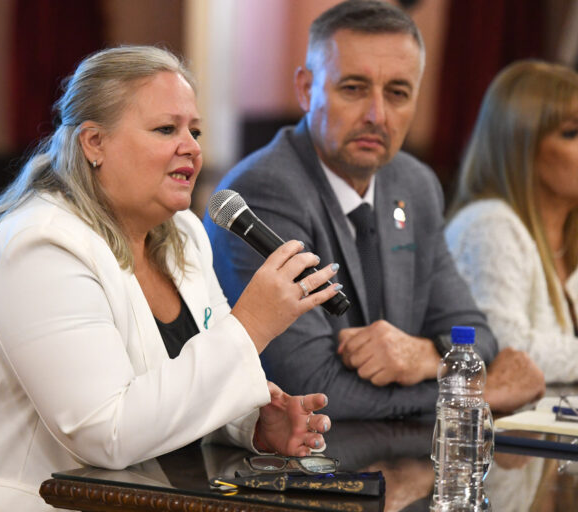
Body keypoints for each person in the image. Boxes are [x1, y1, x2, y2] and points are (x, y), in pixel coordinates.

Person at [0, 46, 343, 511]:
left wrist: (253, 424)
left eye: (194, 130)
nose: (192, 147)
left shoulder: (181, 233)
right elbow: (108, 432)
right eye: (167, 129)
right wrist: (253, 324)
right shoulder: (40, 247)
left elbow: (183, 380)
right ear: (94, 143)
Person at [205, 0, 544, 420]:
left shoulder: (413, 184)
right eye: (353, 88)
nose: (376, 115)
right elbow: (312, 385)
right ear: (307, 90)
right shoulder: (265, 191)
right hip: (295, 468)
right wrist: (477, 395)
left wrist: (425, 355)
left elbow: (477, 334)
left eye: (397, 93)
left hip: (398, 460)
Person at [445, 60, 578, 383]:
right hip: (490, 429)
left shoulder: (570, 234)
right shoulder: (490, 225)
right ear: (521, 148)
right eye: (572, 132)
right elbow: (504, 351)